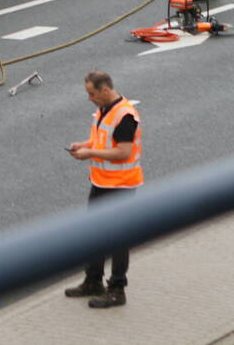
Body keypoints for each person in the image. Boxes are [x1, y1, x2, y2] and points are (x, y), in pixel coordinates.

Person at [65, 71, 143, 308]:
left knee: (118, 238)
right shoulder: (105, 109)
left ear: (105, 90)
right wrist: (85, 145)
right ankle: (93, 281)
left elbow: (123, 152)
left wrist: (90, 153)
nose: (89, 98)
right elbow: (103, 140)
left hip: (120, 184)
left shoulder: (125, 115)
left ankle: (117, 289)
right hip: (101, 181)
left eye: (92, 93)